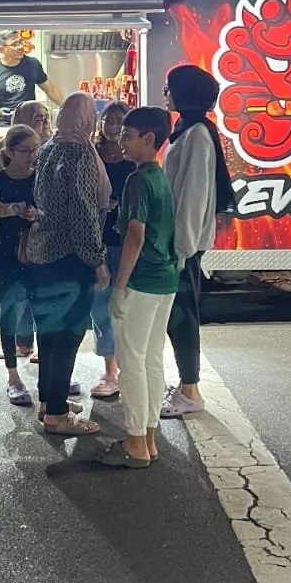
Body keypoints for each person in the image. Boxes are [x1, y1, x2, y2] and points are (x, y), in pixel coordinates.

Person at [24, 91, 109, 437]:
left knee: (48, 332)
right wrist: (97, 259)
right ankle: (57, 414)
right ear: (86, 120)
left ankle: (49, 401)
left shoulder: (46, 149)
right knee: (69, 334)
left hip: (40, 252)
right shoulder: (81, 154)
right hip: (71, 257)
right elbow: (84, 211)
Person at [100, 107, 178, 468]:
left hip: (141, 280)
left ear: (148, 140)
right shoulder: (158, 177)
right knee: (151, 358)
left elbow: (134, 234)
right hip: (164, 279)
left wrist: (119, 286)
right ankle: (148, 437)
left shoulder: (137, 181)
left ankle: (134, 444)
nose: (120, 139)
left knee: (131, 362)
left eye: (128, 134)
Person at [161, 64, 234, 419]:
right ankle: (187, 385)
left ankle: (190, 389)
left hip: (182, 243)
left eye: (170, 87)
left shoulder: (197, 136)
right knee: (178, 314)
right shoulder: (188, 130)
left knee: (182, 315)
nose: (166, 93)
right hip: (180, 241)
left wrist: (181, 249)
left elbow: (192, 196)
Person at [0, 123, 39, 406]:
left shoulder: (39, 178)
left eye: (36, 149)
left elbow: (50, 213)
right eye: (25, 150)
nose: (32, 156)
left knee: (42, 310)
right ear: (9, 151)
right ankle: (12, 376)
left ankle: (51, 373)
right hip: (4, 253)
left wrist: (36, 214)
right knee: (9, 313)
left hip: (35, 253)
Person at [89, 100, 135, 400]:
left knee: (126, 307)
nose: (114, 126)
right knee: (101, 306)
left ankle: (128, 368)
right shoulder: (92, 156)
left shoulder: (135, 162)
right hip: (98, 241)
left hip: (126, 242)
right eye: (109, 120)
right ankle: (110, 370)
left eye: (120, 121)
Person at [0, 30, 63, 124]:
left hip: (30, 123)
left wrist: (67, 108)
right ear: (1, 49)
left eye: (21, 42)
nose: (21, 47)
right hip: (3, 124)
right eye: (15, 44)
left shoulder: (33, 64)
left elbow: (51, 90)